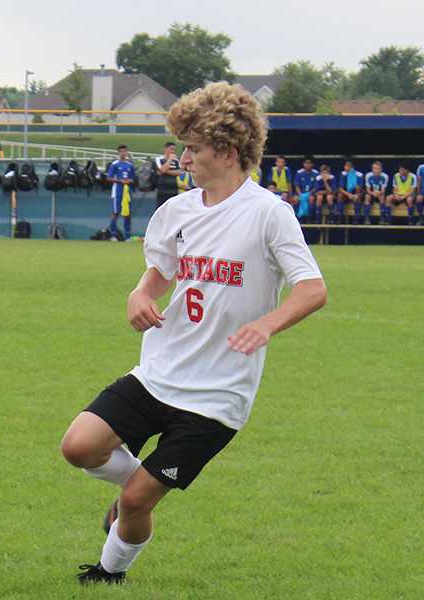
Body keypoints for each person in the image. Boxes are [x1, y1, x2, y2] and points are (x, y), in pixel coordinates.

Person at [60, 81, 327, 585]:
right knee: (79, 446)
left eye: (192, 148)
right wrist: (140, 294)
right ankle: (138, 487)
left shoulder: (269, 214)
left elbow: (312, 289)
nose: (182, 158)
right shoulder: (175, 212)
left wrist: (266, 324)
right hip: (161, 370)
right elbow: (159, 274)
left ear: (225, 151)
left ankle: (108, 573)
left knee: (138, 498)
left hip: (218, 394)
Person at [106, 144, 136, 240]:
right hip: (117, 190)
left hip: (127, 192)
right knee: (116, 212)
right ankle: (113, 235)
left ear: (127, 152)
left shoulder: (130, 165)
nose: (123, 153)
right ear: (118, 153)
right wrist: (120, 181)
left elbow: (133, 179)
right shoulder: (114, 164)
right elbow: (109, 178)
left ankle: (127, 236)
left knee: (127, 213)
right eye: (121, 152)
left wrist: (128, 181)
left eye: (125, 151)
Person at [154, 142, 181, 208]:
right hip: (162, 189)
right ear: (165, 149)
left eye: (174, 150)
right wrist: (170, 159)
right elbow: (162, 170)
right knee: (161, 209)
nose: (173, 151)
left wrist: (166, 171)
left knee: (172, 210)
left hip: (174, 190)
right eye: (171, 149)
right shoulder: (159, 159)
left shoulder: (176, 161)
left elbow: (179, 172)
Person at [337, 159, 365, 224]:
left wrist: (355, 195)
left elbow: (360, 188)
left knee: (358, 196)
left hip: (356, 193)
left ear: (351, 167)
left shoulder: (359, 175)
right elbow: (340, 188)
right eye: (345, 166)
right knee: (340, 195)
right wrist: (348, 194)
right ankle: (340, 218)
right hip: (346, 194)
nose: (344, 167)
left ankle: (356, 219)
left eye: (346, 166)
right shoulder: (343, 174)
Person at [292, 156, 318, 222]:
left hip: (311, 193)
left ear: (312, 164)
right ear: (303, 164)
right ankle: (297, 219)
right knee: (295, 199)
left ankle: (310, 218)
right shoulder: (299, 173)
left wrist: (308, 194)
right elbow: (296, 185)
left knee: (311, 199)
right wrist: (300, 194)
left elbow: (316, 187)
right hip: (300, 193)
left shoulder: (316, 173)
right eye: (306, 163)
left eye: (309, 163)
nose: (308, 165)